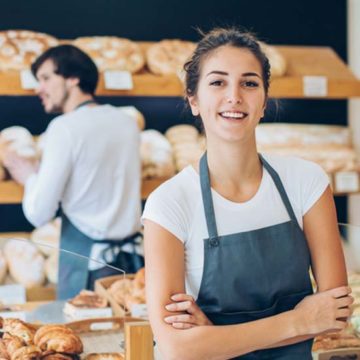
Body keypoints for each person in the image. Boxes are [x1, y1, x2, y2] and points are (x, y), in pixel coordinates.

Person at [142, 28, 352, 359]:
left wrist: (214, 335)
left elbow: (335, 315)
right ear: (193, 100)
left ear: (265, 102)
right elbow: (175, 347)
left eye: (249, 83)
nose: (234, 96)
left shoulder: (306, 181)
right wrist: (299, 321)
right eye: (217, 82)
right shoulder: (169, 204)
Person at [4, 45, 143, 299]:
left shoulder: (64, 128)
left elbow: (39, 213)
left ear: (73, 78)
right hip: (133, 259)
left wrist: (29, 177)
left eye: (46, 78)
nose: (39, 89)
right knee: (129, 335)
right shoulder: (126, 122)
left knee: (81, 337)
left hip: (87, 265)